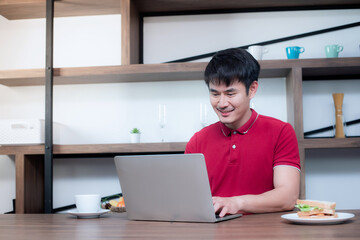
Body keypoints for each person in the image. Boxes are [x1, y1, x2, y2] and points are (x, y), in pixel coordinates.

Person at [185, 48, 300, 217]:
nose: (222, 103)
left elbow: (288, 197)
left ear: (252, 89)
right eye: (215, 94)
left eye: (230, 93)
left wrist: (236, 202)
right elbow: (187, 200)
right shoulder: (197, 141)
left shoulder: (281, 132)